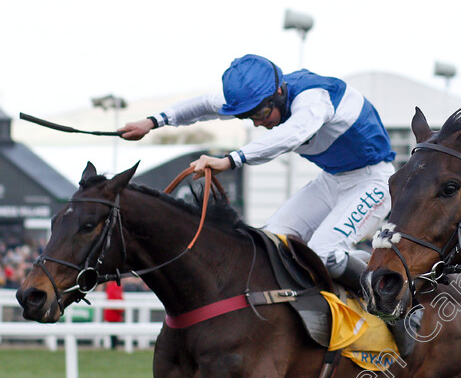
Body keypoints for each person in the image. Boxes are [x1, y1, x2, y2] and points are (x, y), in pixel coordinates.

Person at [119, 54, 395, 292]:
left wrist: (229, 160)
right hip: (331, 181)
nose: (259, 122)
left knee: (322, 255)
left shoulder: (313, 99)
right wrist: (153, 121)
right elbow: (205, 105)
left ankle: (391, 297)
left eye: (262, 112)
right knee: (269, 245)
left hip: (373, 182)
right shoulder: (263, 96)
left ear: (278, 92)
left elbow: (290, 135)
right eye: (248, 116)